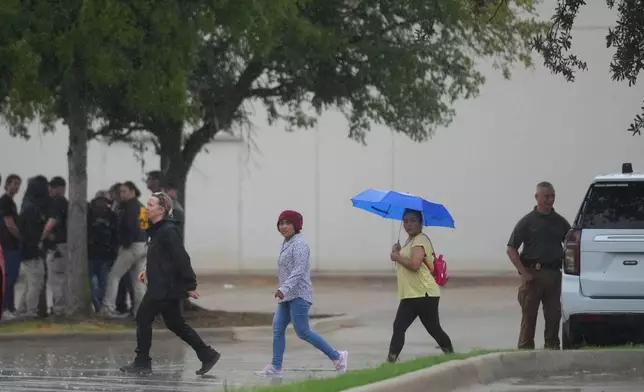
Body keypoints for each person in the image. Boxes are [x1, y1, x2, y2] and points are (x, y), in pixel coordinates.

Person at [120, 192, 220, 375]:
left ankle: (142, 362)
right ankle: (207, 354)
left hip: (163, 287)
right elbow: (161, 257)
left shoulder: (168, 230)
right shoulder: (158, 230)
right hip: (163, 285)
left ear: (161, 209)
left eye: (150, 205)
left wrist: (190, 284)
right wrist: (146, 272)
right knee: (176, 324)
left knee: (143, 317)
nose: (146, 208)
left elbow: (181, 257)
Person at [255, 210, 348, 377]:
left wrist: (283, 289)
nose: (283, 226)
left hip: (299, 295)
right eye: (281, 223)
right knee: (277, 329)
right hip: (287, 295)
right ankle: (276, 366)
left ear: (296, 226)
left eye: (287, 223)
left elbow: (298, 271)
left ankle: (337, 356)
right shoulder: (287, 242)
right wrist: (284, 290)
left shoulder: (300, 244)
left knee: (303, 332)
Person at [507, 181, 571, 350]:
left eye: (553, 196)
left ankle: (552, 350)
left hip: (554, 275)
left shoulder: (560, 222)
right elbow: (511, 249)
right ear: (537, 197)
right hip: (532, 275)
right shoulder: (527, 222)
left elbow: (572, 244)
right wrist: (523, 272)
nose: (550, 200)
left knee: (553, 316)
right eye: (546, 196)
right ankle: (525, 353)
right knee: (529, 318)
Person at [386, 209, 454, 362]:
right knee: (400, 327)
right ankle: (390, 362)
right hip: (412, 293)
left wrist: (396, 256)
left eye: (413, 220)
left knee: (433, 329)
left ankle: (452, 356)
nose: (408, 224)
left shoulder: (420, 240)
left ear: (420, 223)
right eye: (406, 221)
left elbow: (415, 264)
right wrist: (397, 251)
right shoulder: (410, 241)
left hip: (423, 294)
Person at [101, 181, 147, 318]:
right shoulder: (142, 207)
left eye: (124, 191)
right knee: (138, 281)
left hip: (131, 246)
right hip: (144, 245)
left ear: (133, 191)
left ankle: (108, 308)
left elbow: (131, 228)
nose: (122, 194)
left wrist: (124, 244)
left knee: (113, 276)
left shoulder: (129, 208)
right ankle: (140, 311)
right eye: (120, 191)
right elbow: (145, 227)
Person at [16, 175, 50, 319]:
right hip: (32, 249)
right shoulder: (33, 208)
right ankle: (30, 311)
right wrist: (39, 243)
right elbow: (32, 231)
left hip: (27, 249)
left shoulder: (27, 204)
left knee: (32, 281)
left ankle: (23, 309)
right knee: (36, 281)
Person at [38, 176, 69, 316]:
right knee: (63, 278)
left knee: (56, 279)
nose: (50, 191)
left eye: (52, 188)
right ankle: (63, 306)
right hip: (65, 245)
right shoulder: (67, 203)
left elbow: (52, 221)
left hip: (58, 246)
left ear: (61, 189)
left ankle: (59, 309)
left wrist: (42, 237)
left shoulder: (57, 202)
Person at [87, 191, 119, 312]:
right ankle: (95, 304)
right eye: (99, 200)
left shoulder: (112, 216)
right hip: (91, 254)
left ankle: (99, 305)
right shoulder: (88, 215)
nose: (102, 203)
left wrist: (114, 252)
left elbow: (116, 235)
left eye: (104, 201)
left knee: (104, 283)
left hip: (106, 255)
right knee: (90, 283)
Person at [109, 181, 134, 315]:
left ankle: (111, 307)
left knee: (117, 277)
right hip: (122, 246)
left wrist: (125, 244)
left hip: (125, 246)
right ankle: (123, 305)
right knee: (127, 279)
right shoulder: (118, 207)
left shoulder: (126, 208)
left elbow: (128, 227)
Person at [0, 174, 22, 320]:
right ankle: (6, 308)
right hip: (9, 245)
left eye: (18, 184)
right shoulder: (5, 201)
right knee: (9, 278)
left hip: (11, 245)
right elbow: (9, 223)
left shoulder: (11, 202)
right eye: (14, 183)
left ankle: (11, 307)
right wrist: (21, 238)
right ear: (7, 185)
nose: (17, 187)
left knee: (12, 278)